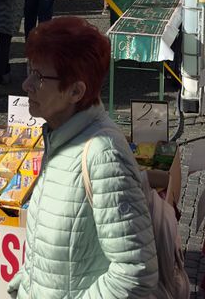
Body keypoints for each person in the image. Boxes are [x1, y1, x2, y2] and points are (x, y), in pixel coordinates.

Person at [11, 17, 158, 299]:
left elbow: (136, 272)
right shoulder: (60, 137)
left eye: (39, 77)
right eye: (30, 71)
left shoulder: (103, 155)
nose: (26, 84)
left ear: (76, 91)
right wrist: (28, 282)